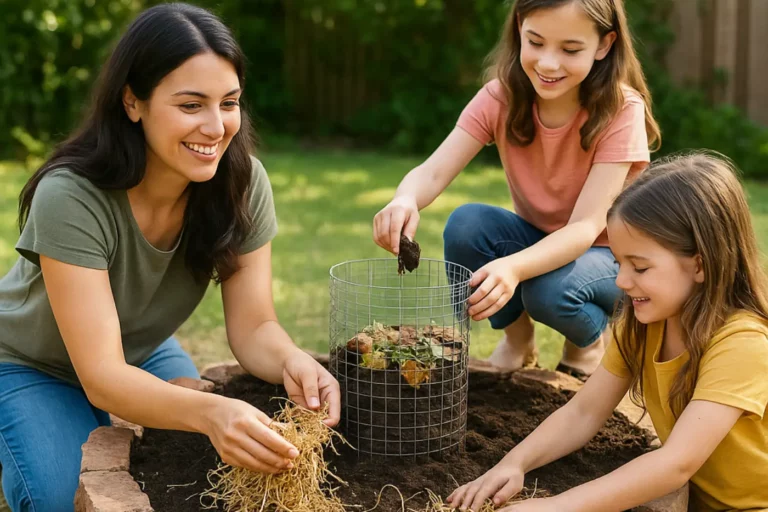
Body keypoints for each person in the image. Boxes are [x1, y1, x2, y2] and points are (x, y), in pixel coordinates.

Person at [0, 4, 340, 511]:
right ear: (132, 102)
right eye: (191, 105)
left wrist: (294, 359)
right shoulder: (70, 195)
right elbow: (102, 375)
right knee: (65, 498)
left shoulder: (242, 184)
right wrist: (210, 413)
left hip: (138, 351)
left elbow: (254, 327)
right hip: (27, 363)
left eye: (229, 102)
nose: (216, 127)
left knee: (188, 471)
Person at [448, 152, 768, 511]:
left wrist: (555, 507)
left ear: (699, 265)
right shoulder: (643, 326)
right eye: (618, 262)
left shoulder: (741, 344)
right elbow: (584, 412)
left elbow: (676, 464)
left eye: (640, 267)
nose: (621, 281)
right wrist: (514, 464)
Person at [373, 0, 660, 379]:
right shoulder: (500, 97)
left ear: (604, 45)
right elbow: (433, 171)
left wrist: (513, 267)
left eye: (570, 49)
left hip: (609, 257)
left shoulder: (621, 110)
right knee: (467, 225)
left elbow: (585, 228)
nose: (548, 64)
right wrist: (405, 199)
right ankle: (519, 340)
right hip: (541, 238)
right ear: (520, 27)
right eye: (536, 42)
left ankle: (587, 343)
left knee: (547, 291)